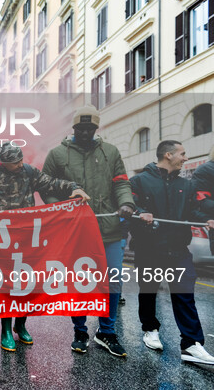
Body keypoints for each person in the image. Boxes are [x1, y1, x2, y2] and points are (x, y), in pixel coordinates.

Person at [0, 142, 88, 352]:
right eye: (15, 163)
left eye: (20, 161)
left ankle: (21, 324)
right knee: (8, 286)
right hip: (1, 241)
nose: (19, 165)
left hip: (27, 238)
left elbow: (51, 183)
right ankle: (6, 330)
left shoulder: (28, 172)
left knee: (26, 284)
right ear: (4, 163)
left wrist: (73, 188)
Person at [42, 105, 134, 357]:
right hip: (75, 231)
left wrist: (126, 202)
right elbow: (45, 187)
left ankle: (107, 331)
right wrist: (59, 209)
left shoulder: (110, 152)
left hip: (110, 230)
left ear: (96, 129)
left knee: (113, 278)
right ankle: (80, 331)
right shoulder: (57, 154)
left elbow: (121, 182)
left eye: (90, 128)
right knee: (80, 281)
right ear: (73, 129)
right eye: (80, 129)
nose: (85, 133)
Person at [131, 140, 214, 365]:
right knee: (148, 291)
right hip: (149, 249)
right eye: (182, 154)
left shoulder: (185, 185)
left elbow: (192, 211)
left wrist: (206, 220)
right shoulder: (139, 181)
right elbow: (129, 207)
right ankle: (150, 329)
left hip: (178, 249)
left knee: (184, 295)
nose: (185, 158)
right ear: (168, 155)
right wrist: (140, 213)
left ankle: (191, 344)